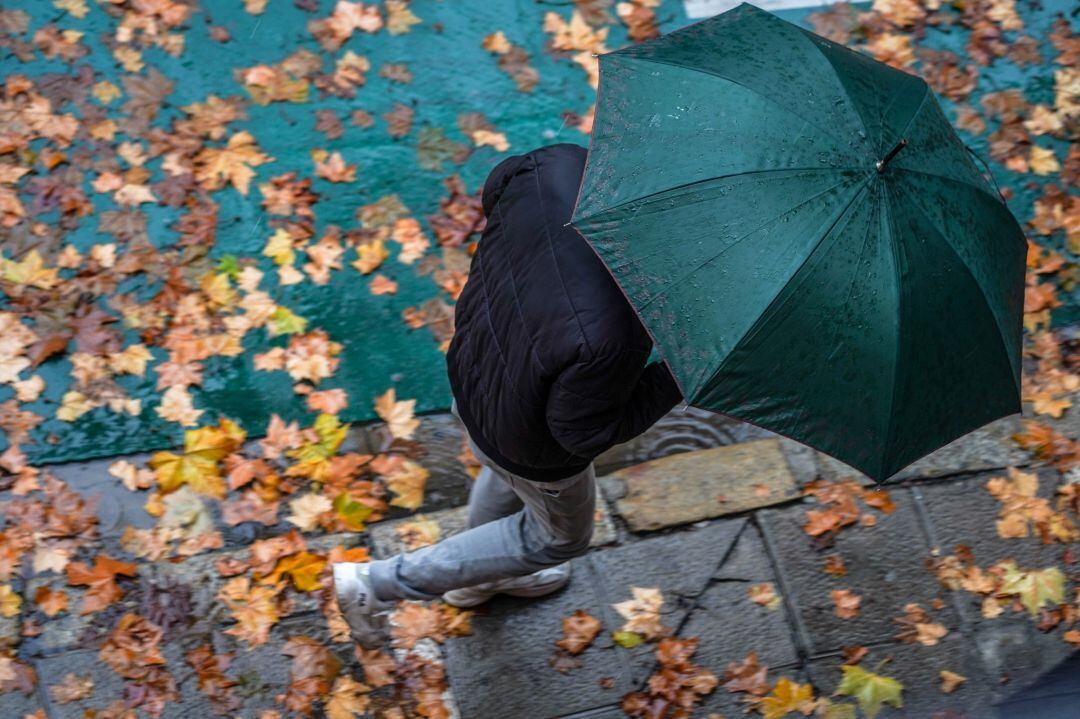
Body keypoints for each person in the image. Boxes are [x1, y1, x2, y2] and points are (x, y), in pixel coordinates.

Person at [332, 143, 684, 647]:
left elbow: (497, 190)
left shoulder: (558, 166)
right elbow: (581, 433)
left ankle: (477, 580)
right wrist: (674, 376)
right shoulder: (615, 332)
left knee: (500, 473)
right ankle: (379, 584)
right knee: (557, 537)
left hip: (476, 370)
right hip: (530, 442)